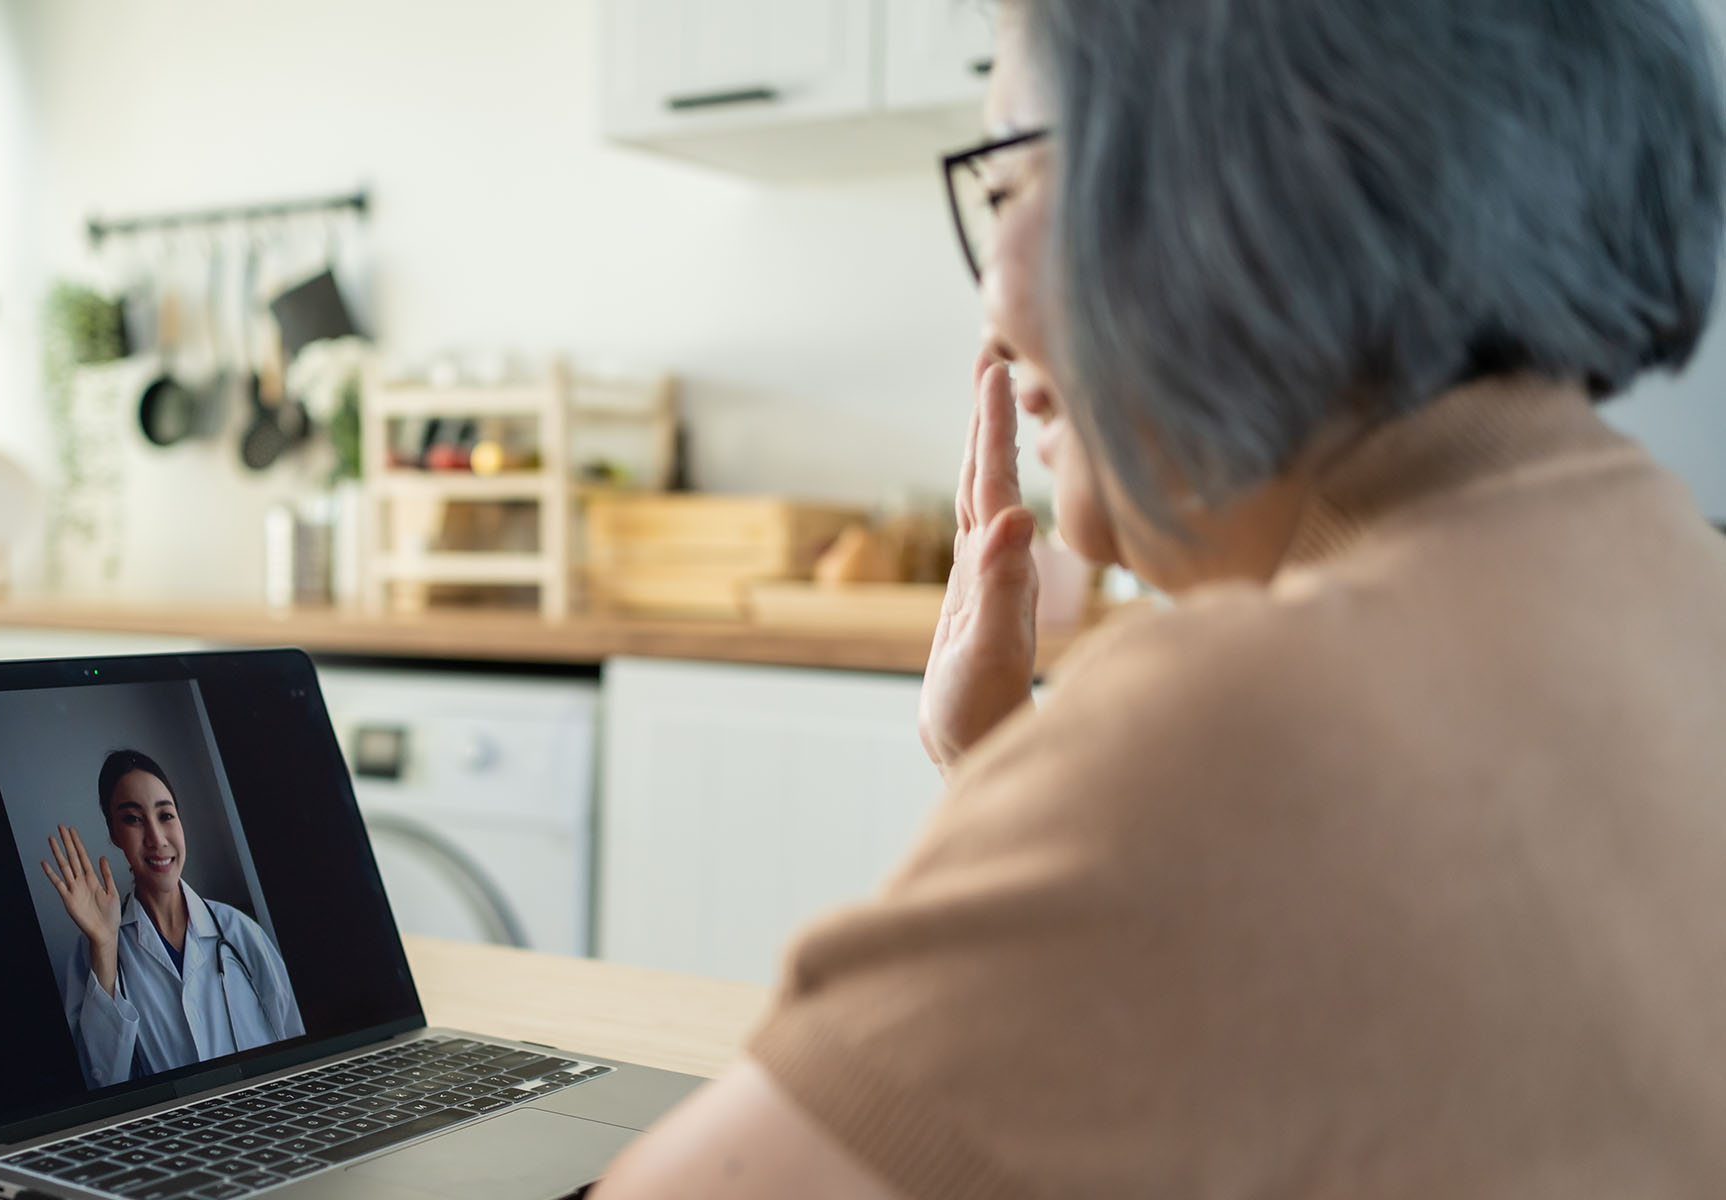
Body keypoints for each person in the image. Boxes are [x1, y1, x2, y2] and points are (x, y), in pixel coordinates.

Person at [597, 0, 1726, 1196]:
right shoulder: (1679, 586)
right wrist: (1007, 768)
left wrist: (1078, 784)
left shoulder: (1236, 731)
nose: (987, 312)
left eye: (1005, 185)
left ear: (1225, 183)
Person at [40, 749, 305, 1088]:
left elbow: (298, 1050)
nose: (157, 839)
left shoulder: (239, 932)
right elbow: (102, 1084)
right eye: (133, 819)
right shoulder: (92, 952)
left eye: (165, 815)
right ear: (114, 834)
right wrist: (105, 947)